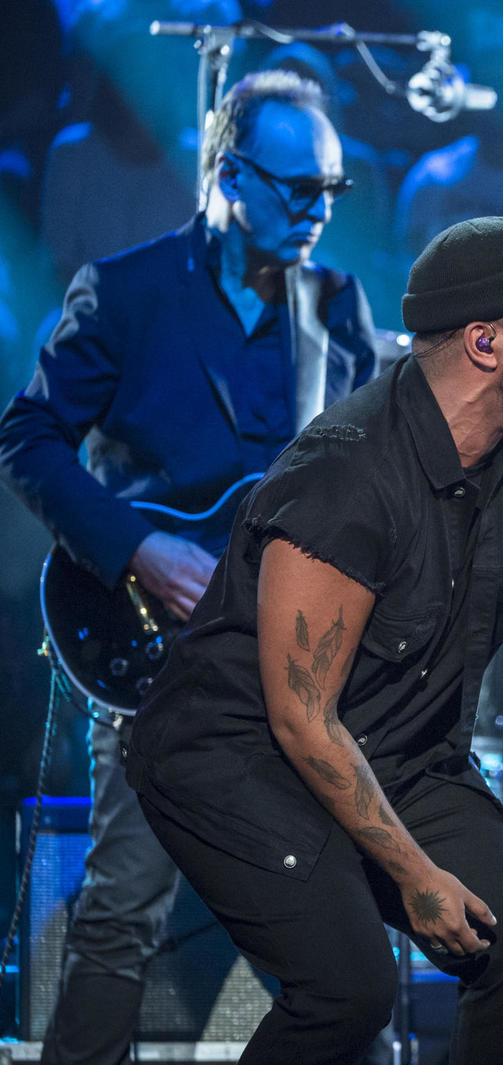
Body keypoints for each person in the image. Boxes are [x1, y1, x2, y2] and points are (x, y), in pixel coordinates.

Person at [123, 215, 503, 1065]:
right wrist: (417, 878)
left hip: (397, 749)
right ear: (486, 342)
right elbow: (302, 718)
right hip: (240, 756)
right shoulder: (344, 473)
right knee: (349, 991)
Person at [0, 70, 377, 1065]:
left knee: (334, 922)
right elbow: (28, 436)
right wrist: (137, 547)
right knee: (123, 907)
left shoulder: (335, 306)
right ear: (225, 170)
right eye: (295, 187)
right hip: (147, 647)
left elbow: (375, 469)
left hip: (291, 662)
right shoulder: (124, 293)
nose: (314, 212)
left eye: (330, 192)